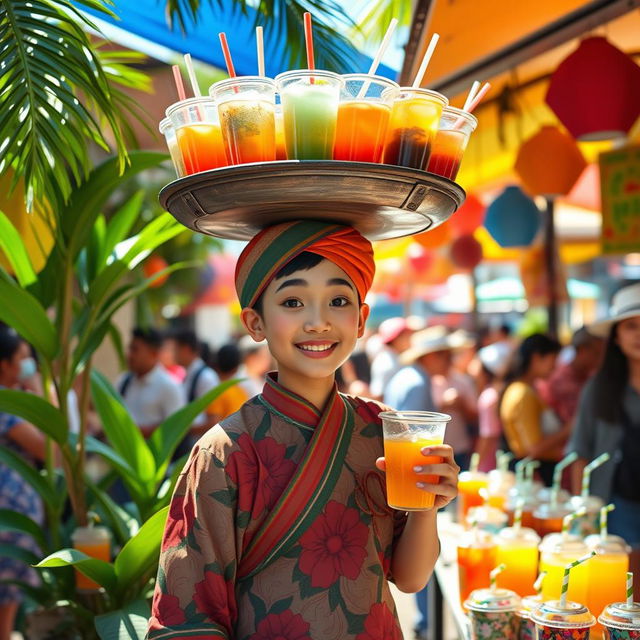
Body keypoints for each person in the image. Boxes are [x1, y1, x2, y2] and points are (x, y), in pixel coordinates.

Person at [147, 221, 459, 639]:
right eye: (293, 301)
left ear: (362, 319)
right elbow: (187, 617)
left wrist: (428, 506)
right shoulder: (224, 452)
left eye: (338, 300)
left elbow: (410, 579)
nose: (318, 322)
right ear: (255, 323)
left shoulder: (382, 430)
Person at [568, 282, 640, 547]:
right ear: (616, 337)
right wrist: (582, 515)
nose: (638, 335)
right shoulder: (598, 389)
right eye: (630, 326)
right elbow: (580, 452)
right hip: (614, 507)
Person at [0, 328, 50, 640]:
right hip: (10, 520)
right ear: (4, 364)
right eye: (23, 358)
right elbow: (51, 449)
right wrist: (41, 389)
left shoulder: (17, 400)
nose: (29, 363)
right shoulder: (9, 405)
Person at [499, 333, 565, 485]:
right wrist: (567, 430)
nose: (554, 368)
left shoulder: (524, 389)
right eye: (553, 361)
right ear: (536, 358)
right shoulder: (523, 393)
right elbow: (533, 448)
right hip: (534, 477)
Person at [118, 328, 185, 437]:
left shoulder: (169, 386)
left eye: (135, 350)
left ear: (153, 353)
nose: (129, 355)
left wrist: (136, 432)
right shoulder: (124, 381)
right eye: (129, 349)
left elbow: (176, 427)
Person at [539, 327, 604, 425]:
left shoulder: (595, 378)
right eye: (597, 353)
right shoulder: (556, 381)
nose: (601, 359)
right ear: (581, 350)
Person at [173, 329, 220, 435]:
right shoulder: (189, 374)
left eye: (176, 349)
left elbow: (213, 421)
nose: (173, 354)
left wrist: (180, 431)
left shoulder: (206, 377)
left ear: (186, 349)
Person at [475, 341, 511, 472]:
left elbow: (488, 436)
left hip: (491, 463)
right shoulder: (504, 391)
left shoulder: (489, 396)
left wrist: (475, 467)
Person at [369, 317, 413, 400]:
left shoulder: (398, 357)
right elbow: (378, 396)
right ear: (395, 339)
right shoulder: (386, 364)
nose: (410, 338)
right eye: (405, 335)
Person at [208, 343, 249, 422]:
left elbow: (213, 423)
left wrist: (190, 429)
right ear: (236, 368)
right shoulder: (241, 391)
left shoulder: (215, 393)